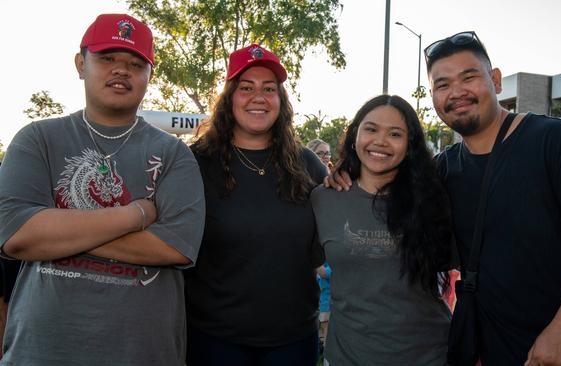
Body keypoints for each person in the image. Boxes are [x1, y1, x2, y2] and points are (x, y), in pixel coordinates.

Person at [328, 31, 561, 365]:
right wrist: (346, 173)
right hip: (493, 349)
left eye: (469, 77)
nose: (456, 92)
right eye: (442, 84)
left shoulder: (556, 141)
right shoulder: (445, 169)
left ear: (496, 80)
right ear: (433, 96)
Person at [0, 13, 205, 365]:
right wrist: (137, 214)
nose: (121, 70)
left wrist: (55, 230)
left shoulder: (174, 153)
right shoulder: (37, 138)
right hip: (42, 352)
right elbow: (16, 234)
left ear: (148, 75)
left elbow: (177, 247)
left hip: (142, 353)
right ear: (81, 64)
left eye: (135, 63)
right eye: (107, 58)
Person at [185, 44, 328, 366]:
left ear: (281, 100)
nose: (258, 97)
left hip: (293, 339)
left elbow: (331, 235)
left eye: (269, 89)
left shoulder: (307, 163)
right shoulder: (196, 162)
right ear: (229, 97)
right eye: (246, 88)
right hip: (215, 339)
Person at [313, 94, 456, 365]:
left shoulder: (432, 199)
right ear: (355, 135)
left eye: (395, 134)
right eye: (371, 129)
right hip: (347, 357)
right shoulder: (323, 198)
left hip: (427, 356)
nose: (380, 141)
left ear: (410, 144)